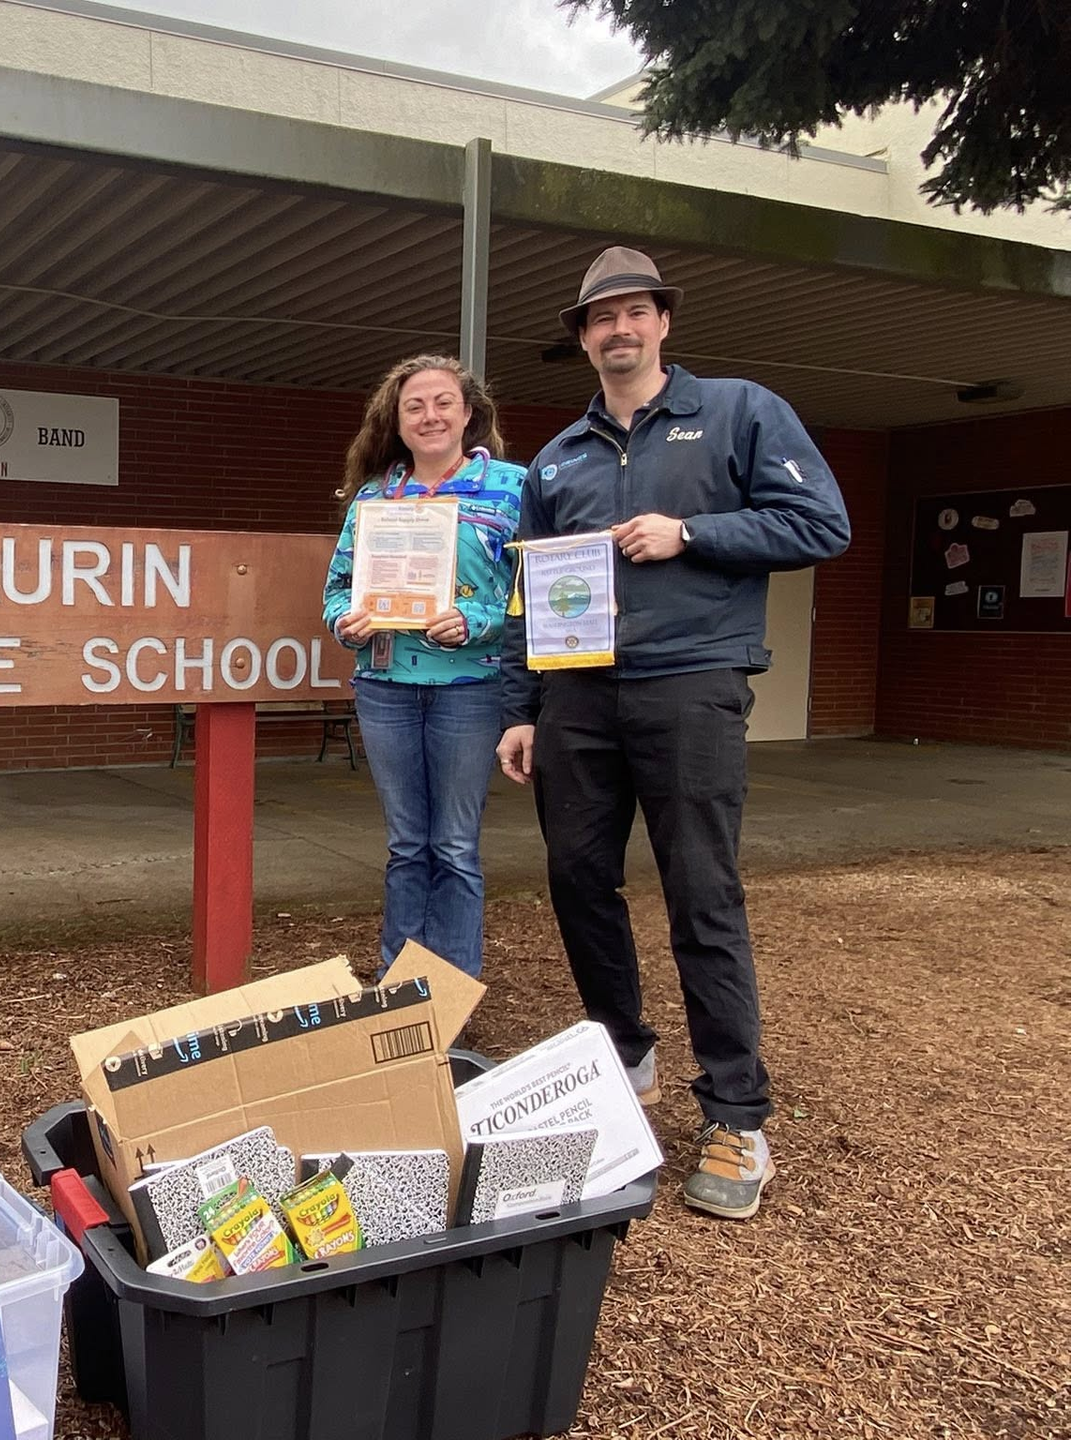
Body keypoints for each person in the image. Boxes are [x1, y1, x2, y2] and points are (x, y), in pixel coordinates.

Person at [496, 247, 851, 1220]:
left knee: (702, 890)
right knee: (576, 876)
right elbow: (534, 592)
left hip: (691, 686)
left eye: (634, 312)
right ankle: (625, 1049)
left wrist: (692, 533)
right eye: (599, 317)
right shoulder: (559, 457)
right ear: (582, 337)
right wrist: (526, 708)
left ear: (662, 322)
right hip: (577, 700)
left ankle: (737, 1113)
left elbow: (821, 524)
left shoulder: (738, 412)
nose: (618, 328)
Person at [322, 355, 525, 981]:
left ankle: (451, 991)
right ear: (398, 420)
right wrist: (345, 621)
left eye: (443, 403)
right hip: (385, 688)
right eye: (415, 406)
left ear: (468, 412)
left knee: (456, 847)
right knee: (407, 847)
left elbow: (534, 591)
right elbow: (338, 588)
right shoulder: (374, 499)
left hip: (471, 689)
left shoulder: (516, 488)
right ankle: (397, 986)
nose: (430, 416)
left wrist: (478, 620)